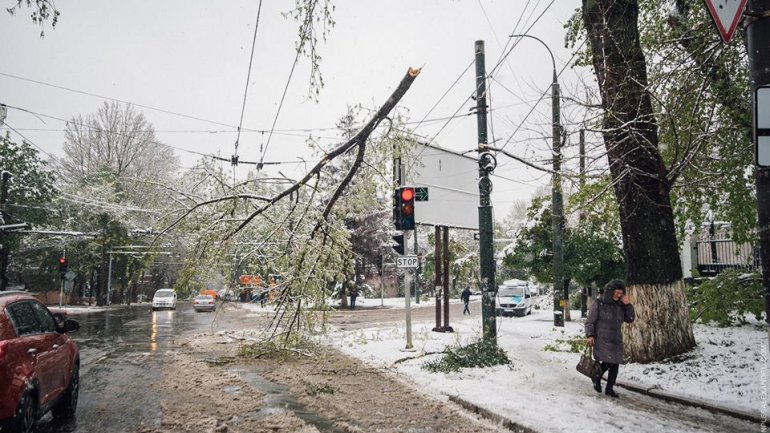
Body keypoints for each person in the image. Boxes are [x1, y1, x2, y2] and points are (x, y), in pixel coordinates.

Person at [585, 279, 635, 398]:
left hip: (616, 338)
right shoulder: (599, 302)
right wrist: (590, 335)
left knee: (615, 363)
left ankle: (609, 388)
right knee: (608, 362)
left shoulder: (621, 304)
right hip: (601, 338)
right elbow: (590, 321)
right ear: (610, 291)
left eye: (621, 292)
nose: (619, 295)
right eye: (617, 292)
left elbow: (630, 319)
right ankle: (596, 377)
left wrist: (628, 305)